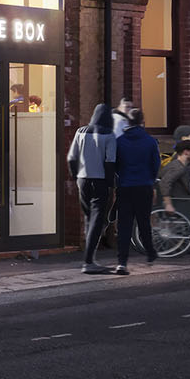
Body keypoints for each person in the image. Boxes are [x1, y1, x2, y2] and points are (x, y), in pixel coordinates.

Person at [66, 103, 119, 275]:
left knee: (89, 218)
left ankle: (90, 259)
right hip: (100, 181)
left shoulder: (80, 131)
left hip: (82, 180)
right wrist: (111, 184)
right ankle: (88, 261)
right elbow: (110, 161)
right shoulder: (109, 135)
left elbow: (71, 158)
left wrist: (76, 176)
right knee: (98, 220)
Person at [109, 107, 162, 273]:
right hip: (144, 187)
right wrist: (150, 181)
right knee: (144, 222)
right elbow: (156, 166)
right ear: (142, 122)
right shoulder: (150, 141)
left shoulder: (119, 141)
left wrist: (121, 177)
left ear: (128, 122)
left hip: (125, 187)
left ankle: (122, 262)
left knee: (124, 226)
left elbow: (114, 165)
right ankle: (150, 252)